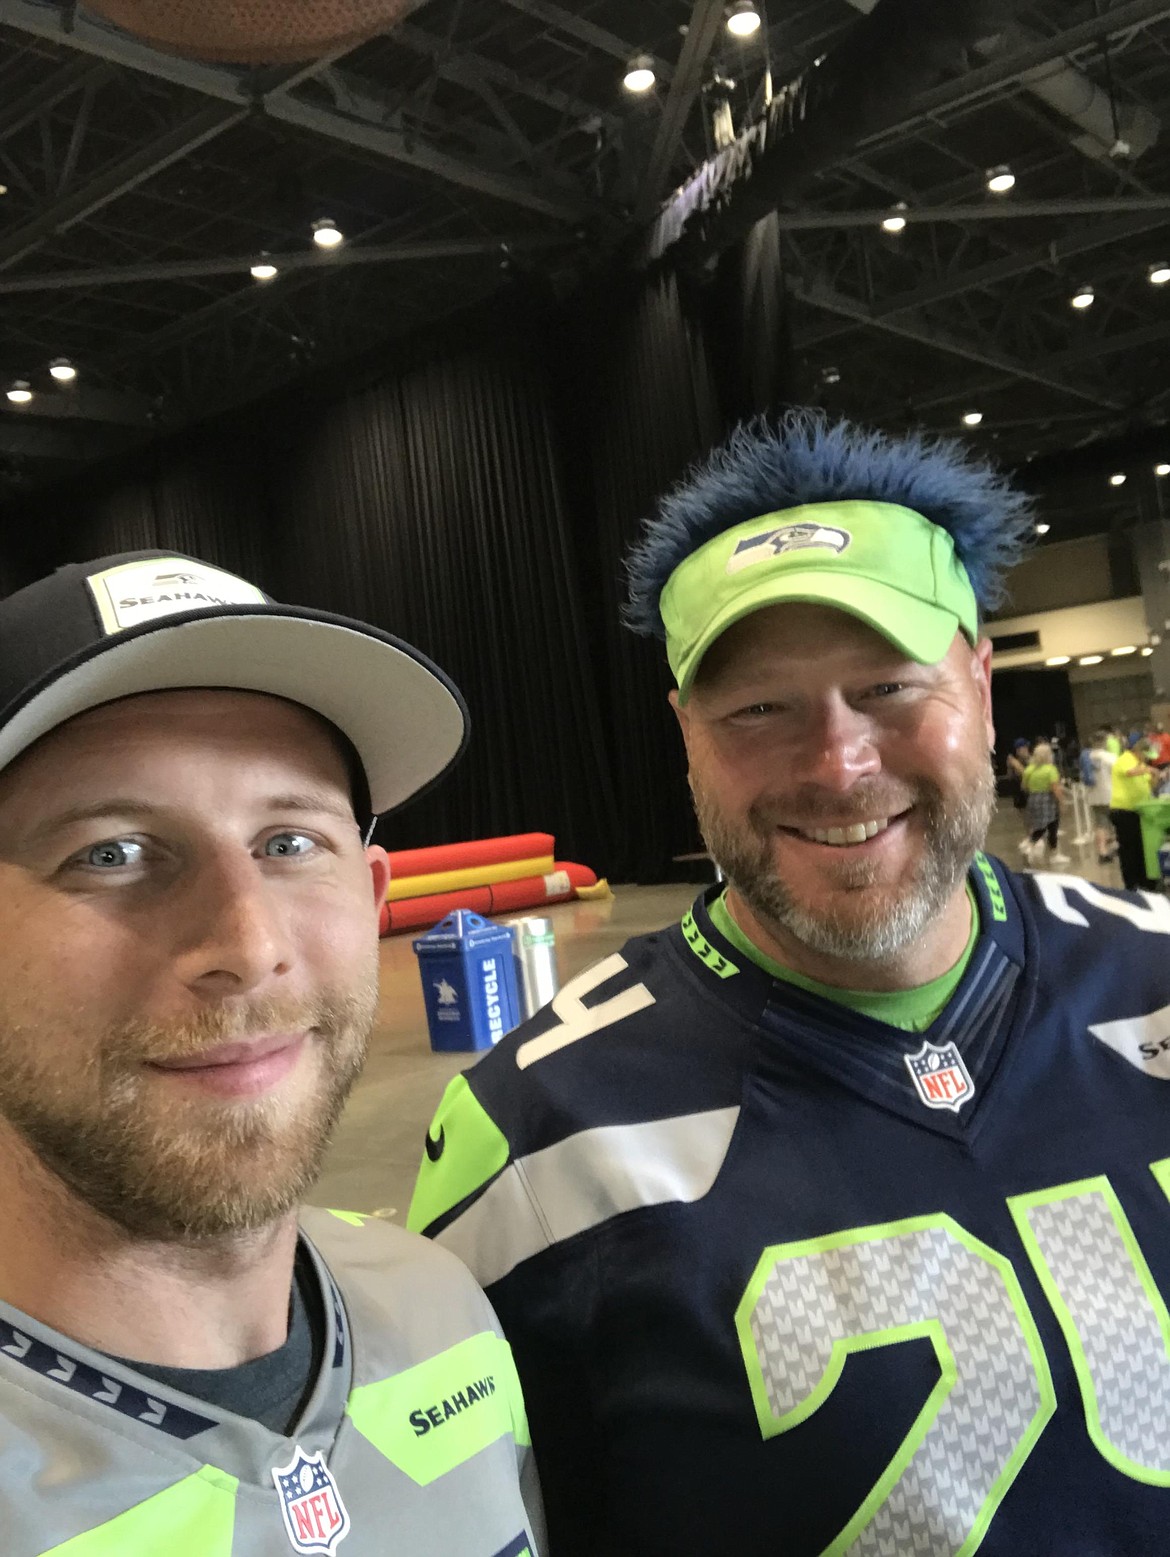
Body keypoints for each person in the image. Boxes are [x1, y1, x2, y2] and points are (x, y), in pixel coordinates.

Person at [410, 411, 1170, 1557]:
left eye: (887, 687)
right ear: (685, 735)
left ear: (979, 680)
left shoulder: (1155, 974)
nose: (838, 765)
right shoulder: (535, 1138)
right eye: (758, 708)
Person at [0, 550, 543, 1556]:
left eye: (290, 842)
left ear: (374, 897)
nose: (249, 949)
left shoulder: (442, 1309)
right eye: (110, 852)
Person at [1109, 730, 1158, 891]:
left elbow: (1148, 785)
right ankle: (1131, 883)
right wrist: (1148, 770)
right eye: (1146, 754)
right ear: (1138, 750)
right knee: (1128, 849)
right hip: (1124, 811)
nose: (1147, 758)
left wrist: (1156, 776)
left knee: (1141, 847)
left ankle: (1144, 880)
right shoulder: (1125, 759)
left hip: (1140, 811)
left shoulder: (1141, 764)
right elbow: (1130, 773)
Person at [1020, 740, 1069, 867]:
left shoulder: (1029, 770)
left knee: (1039, 825)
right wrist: (1062, 802)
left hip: (1033, 799)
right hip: (1048, 799)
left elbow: (1024, 786)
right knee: (1052, 826)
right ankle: (1053, 853)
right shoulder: (1050, 769)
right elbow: (1055, 788)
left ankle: (1030, 845)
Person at [1080, 729, 1118, 864]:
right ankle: (1115, 847)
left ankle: (1102, 852)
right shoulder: (1109, 757)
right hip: (1111, 794)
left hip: (1094, 795)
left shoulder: (1086, 757)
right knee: (1116, 823)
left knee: (1100, 825)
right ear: (1104, 741)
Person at [1004, 737, 1031, 853]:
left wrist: (1016, 765)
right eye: (1023, 748)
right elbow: (1010, 776)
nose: (1026, 750)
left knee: (1032, 816)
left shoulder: (1030, 760)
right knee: (1024, 816)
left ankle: (1035, 838)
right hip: (1018, 792)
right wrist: (1010, 766)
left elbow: (1027, 774)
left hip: (1029, 792)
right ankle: (1029, 836)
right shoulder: (1014, 760)